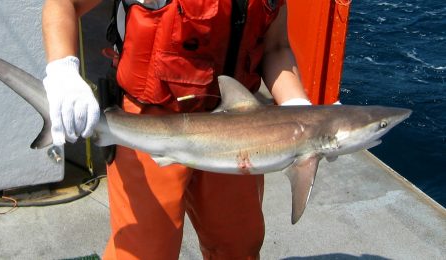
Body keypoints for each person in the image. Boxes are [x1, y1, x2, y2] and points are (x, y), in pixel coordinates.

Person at [42, 0, 311, 259]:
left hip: (236, 126)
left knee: (239, 245)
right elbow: (64, 3)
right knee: (145, 251)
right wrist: (63, 72)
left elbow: (275, 47)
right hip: (151, 124)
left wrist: (299, 110)